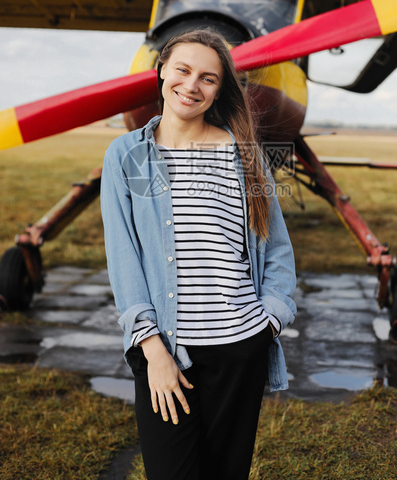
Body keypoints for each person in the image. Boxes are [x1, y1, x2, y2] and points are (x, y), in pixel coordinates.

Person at [100, 28, 296, 480]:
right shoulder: (127, 156)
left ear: (220, 89)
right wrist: (153, 350)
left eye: (208, 78)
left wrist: (268, 322)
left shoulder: (243, 154)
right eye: (183, 71)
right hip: (167, 350)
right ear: (161, 71)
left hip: (240, 345)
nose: (192, 86)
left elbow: (277, 246)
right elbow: (123, 256)